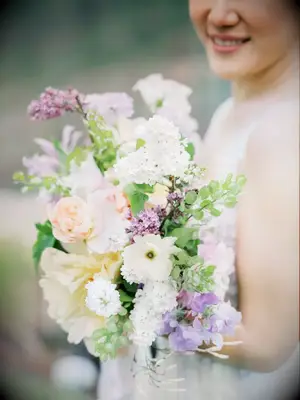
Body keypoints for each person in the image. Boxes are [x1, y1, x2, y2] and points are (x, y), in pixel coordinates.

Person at [130, 1, 299, 399]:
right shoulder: (233, 112)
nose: (220, 15)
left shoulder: (281, 135)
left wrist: (132, 302)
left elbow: (268, 348)